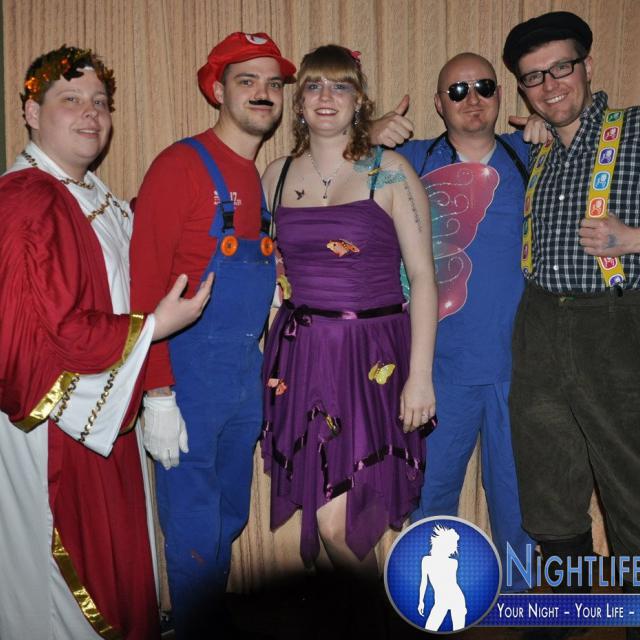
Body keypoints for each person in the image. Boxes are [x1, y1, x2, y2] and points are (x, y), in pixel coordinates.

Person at [0, 46, 212, 640]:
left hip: (102, 411)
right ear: (31, 113)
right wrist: (154, 328)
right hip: (54, 426)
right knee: (65, 591)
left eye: (100, 102)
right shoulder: (27, 200)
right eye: (70, 100)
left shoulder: (89, 193)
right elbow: (39, 334)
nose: (90, 113)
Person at [130, 32, 296, 637]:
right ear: (217, 90)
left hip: (243, 377)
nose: (263, 92)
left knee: (228, 517)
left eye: (273, 83)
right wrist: (157, 393)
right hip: (187, 378)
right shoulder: (180, 166)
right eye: (247, 81)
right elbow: (145, 285)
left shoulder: (257, 178)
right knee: (194, 525)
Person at [260, 44, 437, 577]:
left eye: (340, 86)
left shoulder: (390, 172)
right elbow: (267, 272)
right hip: (301, 356)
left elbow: (423, 279)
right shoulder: (275, 174)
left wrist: (421, 378)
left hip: (371, 357)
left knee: (343, 521)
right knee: (330, 511)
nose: (326, 96)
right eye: (314, 85)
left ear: (359, 101)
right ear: (298, 102)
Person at [374, 53, 535, 592]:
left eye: (484, 86)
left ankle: (521, 604)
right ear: (439, 104)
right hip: (440, 369)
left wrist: (551, 127)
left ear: (500, 95)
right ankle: (426, 607)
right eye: (458, 90)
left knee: (518, 500)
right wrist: (366, 137)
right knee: (431, 494)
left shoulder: (529, 154)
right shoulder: (410, 160)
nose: (473, 99)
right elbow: (327, 173)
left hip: (520, 368)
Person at [503, 9, 640, 629]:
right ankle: (568, 608)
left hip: (615, 325)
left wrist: (632, 238)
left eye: (561, 68)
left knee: (630, 480)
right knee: (548, 478)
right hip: (538, 321)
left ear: (587, 67)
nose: (550, 85)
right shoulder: (539, 149)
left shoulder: (634, 131)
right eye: (534, 77)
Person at [418, 525, 466, 632]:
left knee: (459, 632)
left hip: (456, 599)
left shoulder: (453, 563)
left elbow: (452, 584)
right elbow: (423, 583)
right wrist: (421, 601)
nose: (453, 550)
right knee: (429, 629)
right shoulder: (426, 561)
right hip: (440, 601)